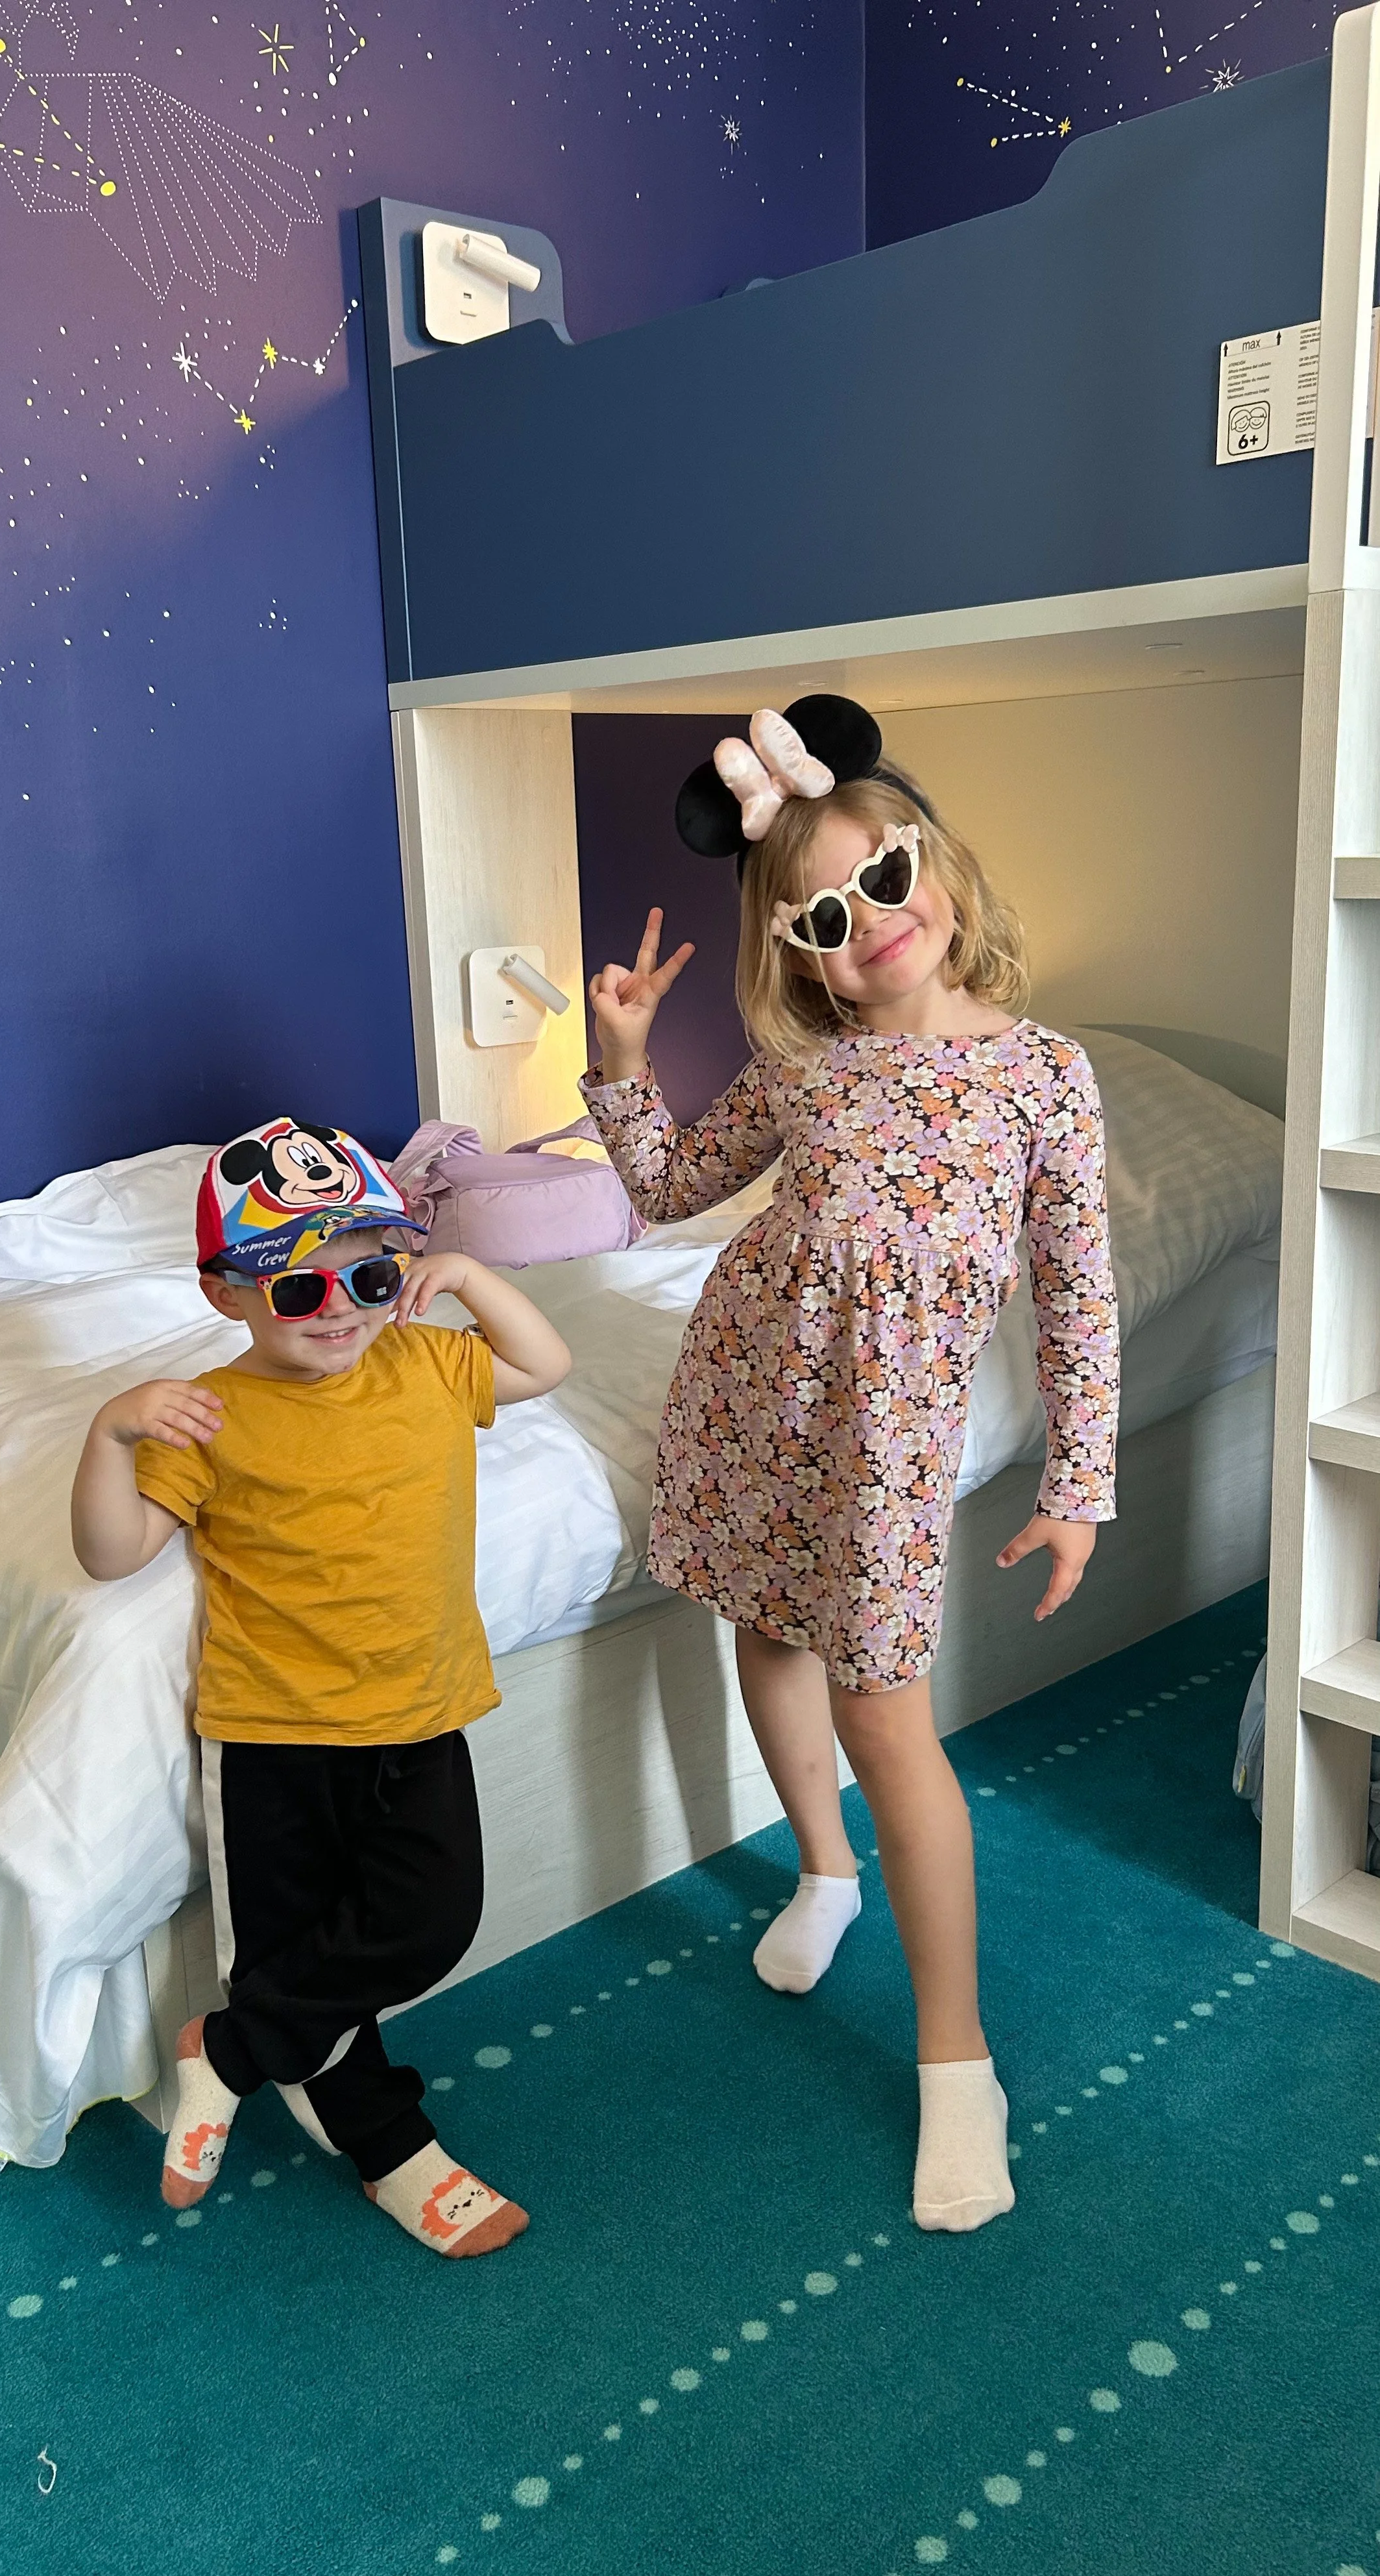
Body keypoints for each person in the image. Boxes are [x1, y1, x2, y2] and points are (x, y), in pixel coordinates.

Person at [581, 697, 1119, 2233]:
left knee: (894, 1723)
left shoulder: (1045, 1075)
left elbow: (1078, 1287)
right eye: (824, 914)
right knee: (765, 1633)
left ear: (934, 869)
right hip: (751, 1395)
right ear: (799, 951)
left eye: (883, 880)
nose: (866, 923)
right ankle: (823, 1870)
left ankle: (961, 2062)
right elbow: (675, 1188)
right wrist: (623, 1063)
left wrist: (1080, 1478)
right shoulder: (796, 1066)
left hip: (888, 1446)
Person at [70, 1118, 570, 2258]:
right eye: (299, 1287)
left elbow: (547, 1368)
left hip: (421, 1708)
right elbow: (111, 1555)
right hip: (277, 1733)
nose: (341, 1308)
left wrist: (476, 1280)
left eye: (372, 1273)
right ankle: (394, 2152)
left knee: (429, 1922)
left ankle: (232, 2051)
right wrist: (112, 1432)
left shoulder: (428, 1363)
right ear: (228, 1295)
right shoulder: (208, 1411)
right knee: (301, 1941)